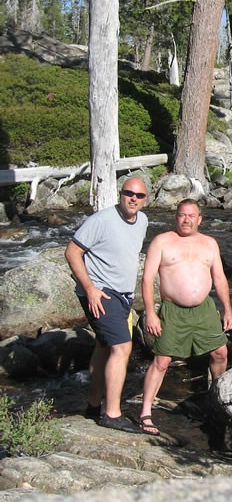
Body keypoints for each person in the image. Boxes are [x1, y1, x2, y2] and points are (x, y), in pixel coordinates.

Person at [138, 198, 232, 436]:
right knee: (162, 361)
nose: (186, 220)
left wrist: (228, 309)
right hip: (173, 310)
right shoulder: (162, 241)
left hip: (204, 309)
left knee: (220, 352)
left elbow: (220, 278)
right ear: (176, 217)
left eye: (191, 216)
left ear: (199, 219)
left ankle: (217, 399)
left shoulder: (210, 243)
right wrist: (150, 313)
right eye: (182, 215)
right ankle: (145, 412)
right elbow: (147, 279)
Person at [65, 177, 149, 434]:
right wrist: (90, 289)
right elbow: (72, 251)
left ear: (145, 200)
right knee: (122, 347)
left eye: (139, 195)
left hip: (123, 296)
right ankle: (112, 414)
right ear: (120, 194)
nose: (133, 198)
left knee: (104, 347)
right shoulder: (101, 220)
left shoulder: (143, 221)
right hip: (101, 293)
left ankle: (93, 405)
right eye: (129, 193)